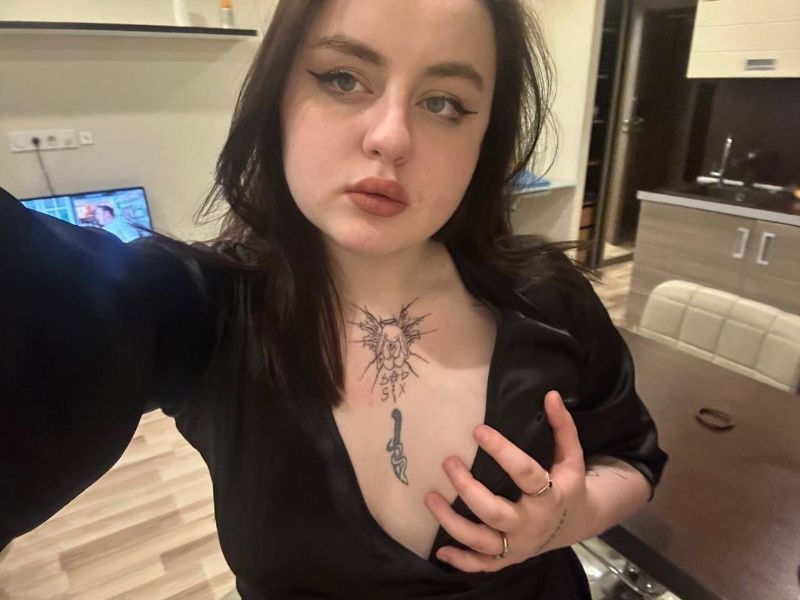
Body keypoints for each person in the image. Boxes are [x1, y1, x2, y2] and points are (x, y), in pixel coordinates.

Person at [0, 1, 668, 598]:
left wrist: (570, 518)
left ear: (485, 137)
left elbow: (633, 457)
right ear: (277, 98)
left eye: (443, 103)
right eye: (343, 79)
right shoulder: (204, 309)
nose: (391, 138)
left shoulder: (548, 296)